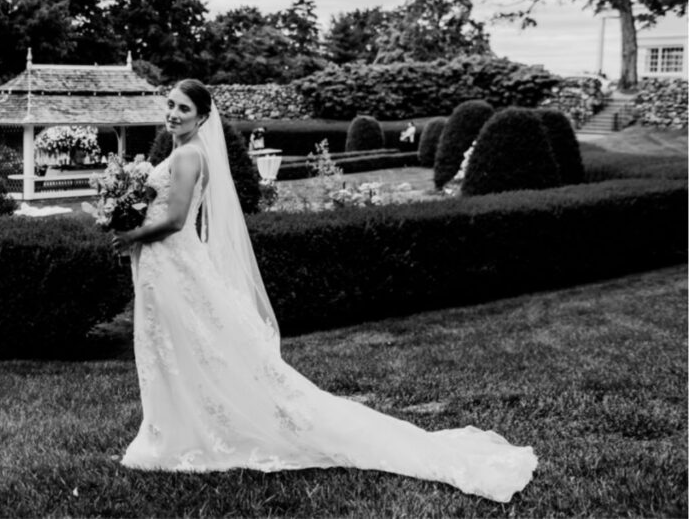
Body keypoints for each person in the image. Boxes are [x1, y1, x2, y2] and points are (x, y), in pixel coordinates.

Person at [110, 80, 537, 503]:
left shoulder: (186, 155)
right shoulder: (185, 152)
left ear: (202, 117)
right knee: (177, 351)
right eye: (170, 105)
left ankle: (173, 437)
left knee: (178, 350)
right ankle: (168, 431)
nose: (173, 114)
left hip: (173, 263)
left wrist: (133, 233)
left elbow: (178, 220)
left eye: (183, 108)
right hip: (167, 266)